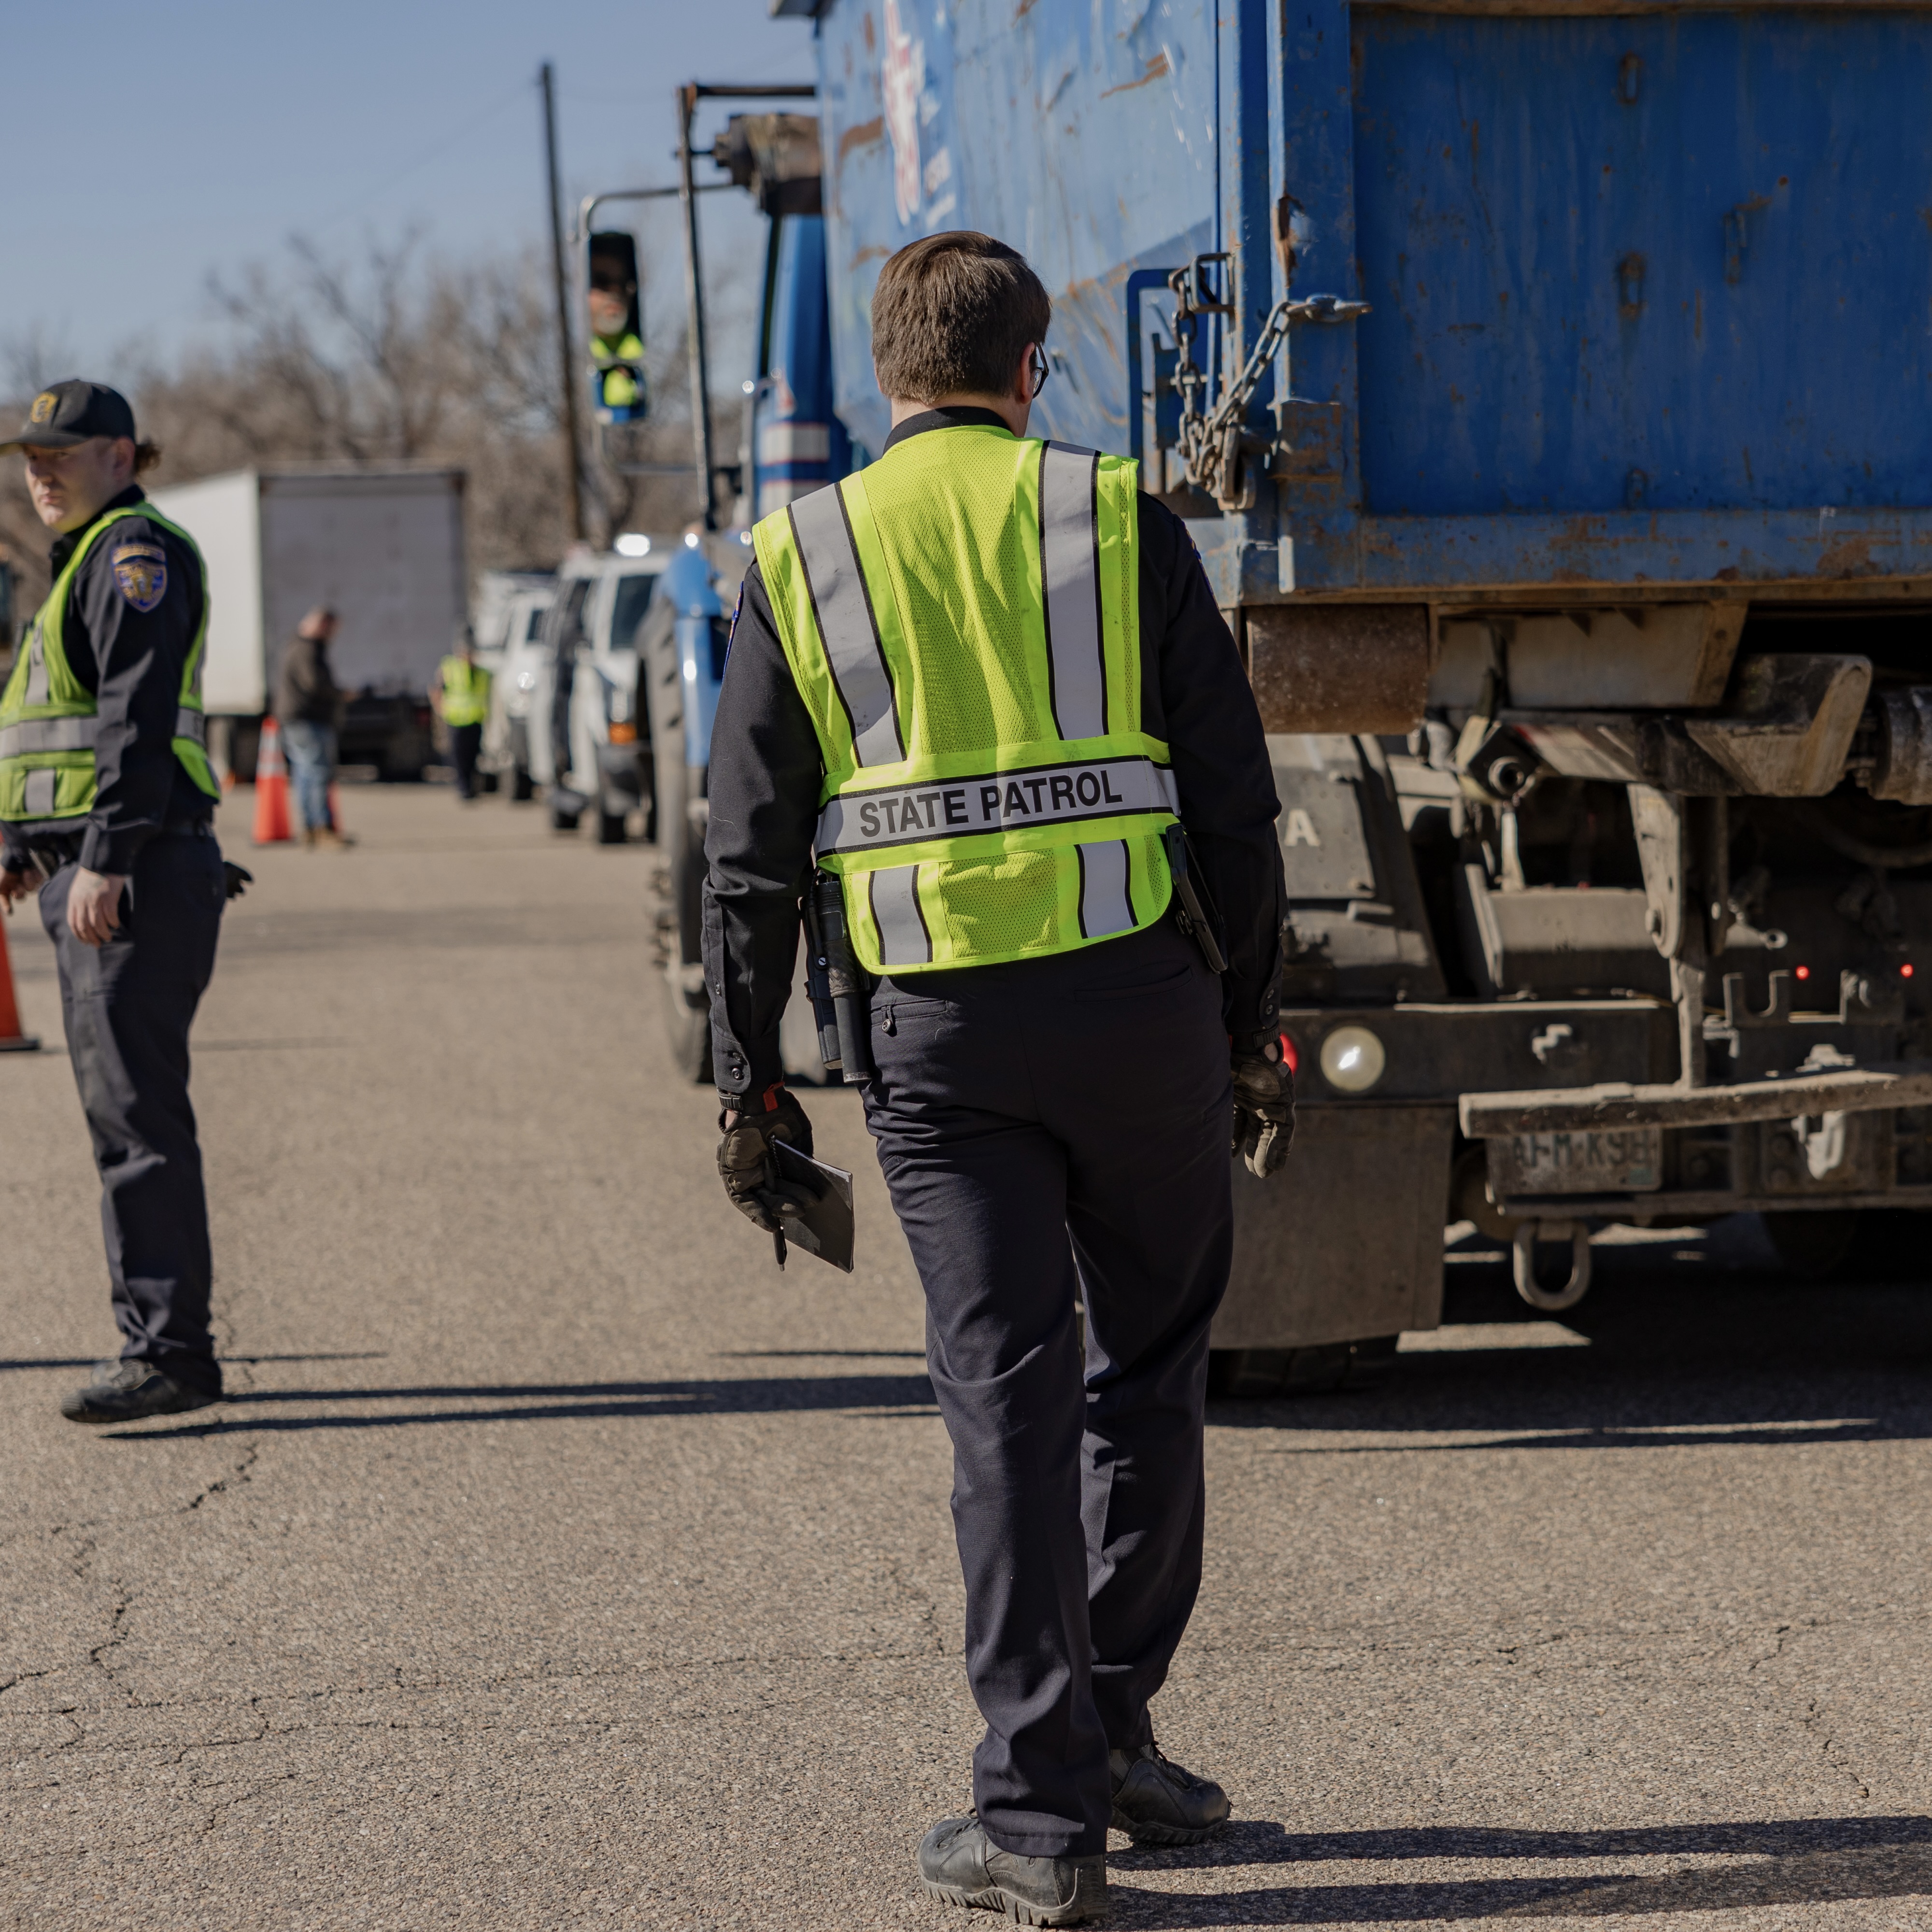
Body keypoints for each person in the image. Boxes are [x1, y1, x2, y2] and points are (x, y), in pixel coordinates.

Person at [702, 233, 1291, 1926]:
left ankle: (1037, 1820)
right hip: (1139, 1013)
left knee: (1004, 1398)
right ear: (1033, 367)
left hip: (934, 1043)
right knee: (1153, 1362)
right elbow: (1235, 812)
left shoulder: (798, 553)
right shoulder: (1119, 520)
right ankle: (1111, 1731)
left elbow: (745, 857)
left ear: (884, 374)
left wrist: (749, 1082)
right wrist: (1247, 1017)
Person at [0, 381, 231, 1424]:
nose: (39, 471)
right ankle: (159, 1341)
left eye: (62, 454)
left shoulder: (132, 556)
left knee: (137, 1124)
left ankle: (169, 1353)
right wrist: (27, 844)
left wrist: (101, 855)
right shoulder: (81, 564)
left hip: (128, 877)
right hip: (105, 871)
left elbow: (136, 724)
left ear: (124, 456)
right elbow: (68, 726)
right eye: (29, 457)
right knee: (123, 1116)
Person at [275, 605, 349, 848]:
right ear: (323, 626)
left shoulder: (296, 645)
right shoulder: (308, 649)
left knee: (305, 773)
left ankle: (310, 828)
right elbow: (314, 684)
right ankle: (322, 828)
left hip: (296, 718)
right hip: (308, 719)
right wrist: (341, 694)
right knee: (317, 772)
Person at [432, 625, 492, 801]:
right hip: (455, 719)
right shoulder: (449, 667)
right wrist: (440, 708)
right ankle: (463, 788)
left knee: (473, 755)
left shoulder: (482, 672)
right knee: (459, 756)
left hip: (475, 719)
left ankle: (471, 787)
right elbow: (437, 689)